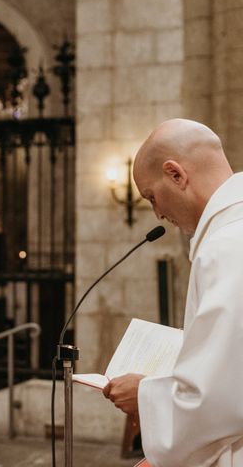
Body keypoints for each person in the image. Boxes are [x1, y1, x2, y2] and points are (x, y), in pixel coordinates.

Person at [103, 118, 243, 466]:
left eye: (152, 196)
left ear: (176, 174)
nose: (158, 213)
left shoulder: (227, 248)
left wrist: (144, 395)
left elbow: (217, 400)